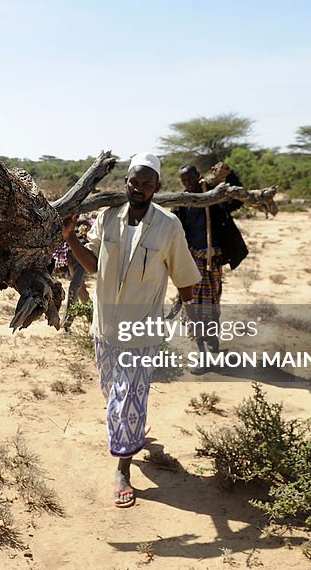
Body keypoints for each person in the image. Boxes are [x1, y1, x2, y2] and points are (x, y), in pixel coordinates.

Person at [62, 152, 200, 508]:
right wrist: (69, 237)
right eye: (133, 182)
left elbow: (184, 275)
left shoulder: (169, 226)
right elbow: (93, 264)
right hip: (105, 326)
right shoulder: (108, 218)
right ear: (126, 183)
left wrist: (193, 314)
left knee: (125, 399)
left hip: (142, 332)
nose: (138, 189)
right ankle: (133, 427)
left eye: (146, 183)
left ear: (157, 187)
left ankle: (123, 467)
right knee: (113, 391)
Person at [173, 164, 248, 362]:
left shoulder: (214, 197)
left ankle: (211, 337)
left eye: (190, 178)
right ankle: (201, 350)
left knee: (213, 302)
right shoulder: (182, 203)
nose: (188, 183)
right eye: (184, 181)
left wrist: (230, 174)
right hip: (192, 260)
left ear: (198, 176)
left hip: (213, 260)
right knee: (194, 306)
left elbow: (236, 201)